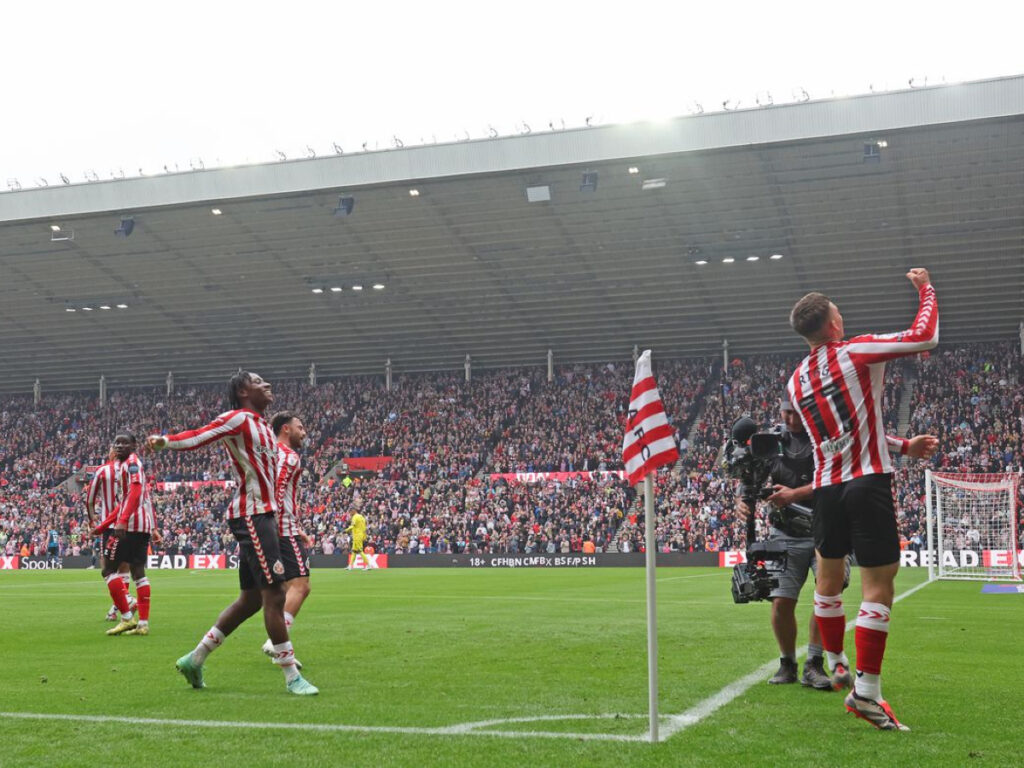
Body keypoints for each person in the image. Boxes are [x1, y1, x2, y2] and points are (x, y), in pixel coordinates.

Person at [787, 268, 939, 730]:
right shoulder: (854, 349)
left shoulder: (794, 382)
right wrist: (926, 289)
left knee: (827, 581)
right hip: (867, 480)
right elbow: (923, 336)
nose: (843, 317)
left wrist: (902, 445)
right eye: (839, 313)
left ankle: (835, 661)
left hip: (827, 487)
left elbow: (837, 435)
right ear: (832, 325)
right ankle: (867, 693)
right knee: (879, 584)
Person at [739, 399, 937, 690]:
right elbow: (748, 476)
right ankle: (787, 663)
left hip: (828, 527)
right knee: (781, 602)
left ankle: (815, 663)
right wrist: (742, 501)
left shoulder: (829, 435)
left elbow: (866, 439)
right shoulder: (771, 440)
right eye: (786, 412)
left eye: (796, 412)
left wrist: (906, 446)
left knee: (826, 594)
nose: (790, 418)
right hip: (784, 532)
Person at [148, 371, 318, 695]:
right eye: (257, 381)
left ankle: (194, 659)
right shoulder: (238, 418)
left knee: (250, 600)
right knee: (276, 595)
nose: (267, 384)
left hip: (262, 516)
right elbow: (202, 434)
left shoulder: (264, 430)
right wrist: (166, 441)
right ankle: (291, 676)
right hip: (253, 516)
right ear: (242, 391)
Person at [261, 412, 314, 666]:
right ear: (285, 429)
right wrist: (284, 526)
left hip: (279, 528)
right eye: (300, 427)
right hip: (282, 530)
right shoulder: (288, 456)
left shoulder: (270, 453)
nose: (303, 432)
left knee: (281, 592)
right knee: (301, 586)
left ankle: (280, 650)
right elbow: (277, 492)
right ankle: (276, 644)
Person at [85, 448, 135, 622]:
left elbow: (90, 500)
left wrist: (92, 521)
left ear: (112, 454)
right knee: (124, 568)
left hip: (111, 525)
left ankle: (127, 600)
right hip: (130, 524)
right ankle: (115, 609)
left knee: (107, 569)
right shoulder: (132, 468)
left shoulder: (102, 470)